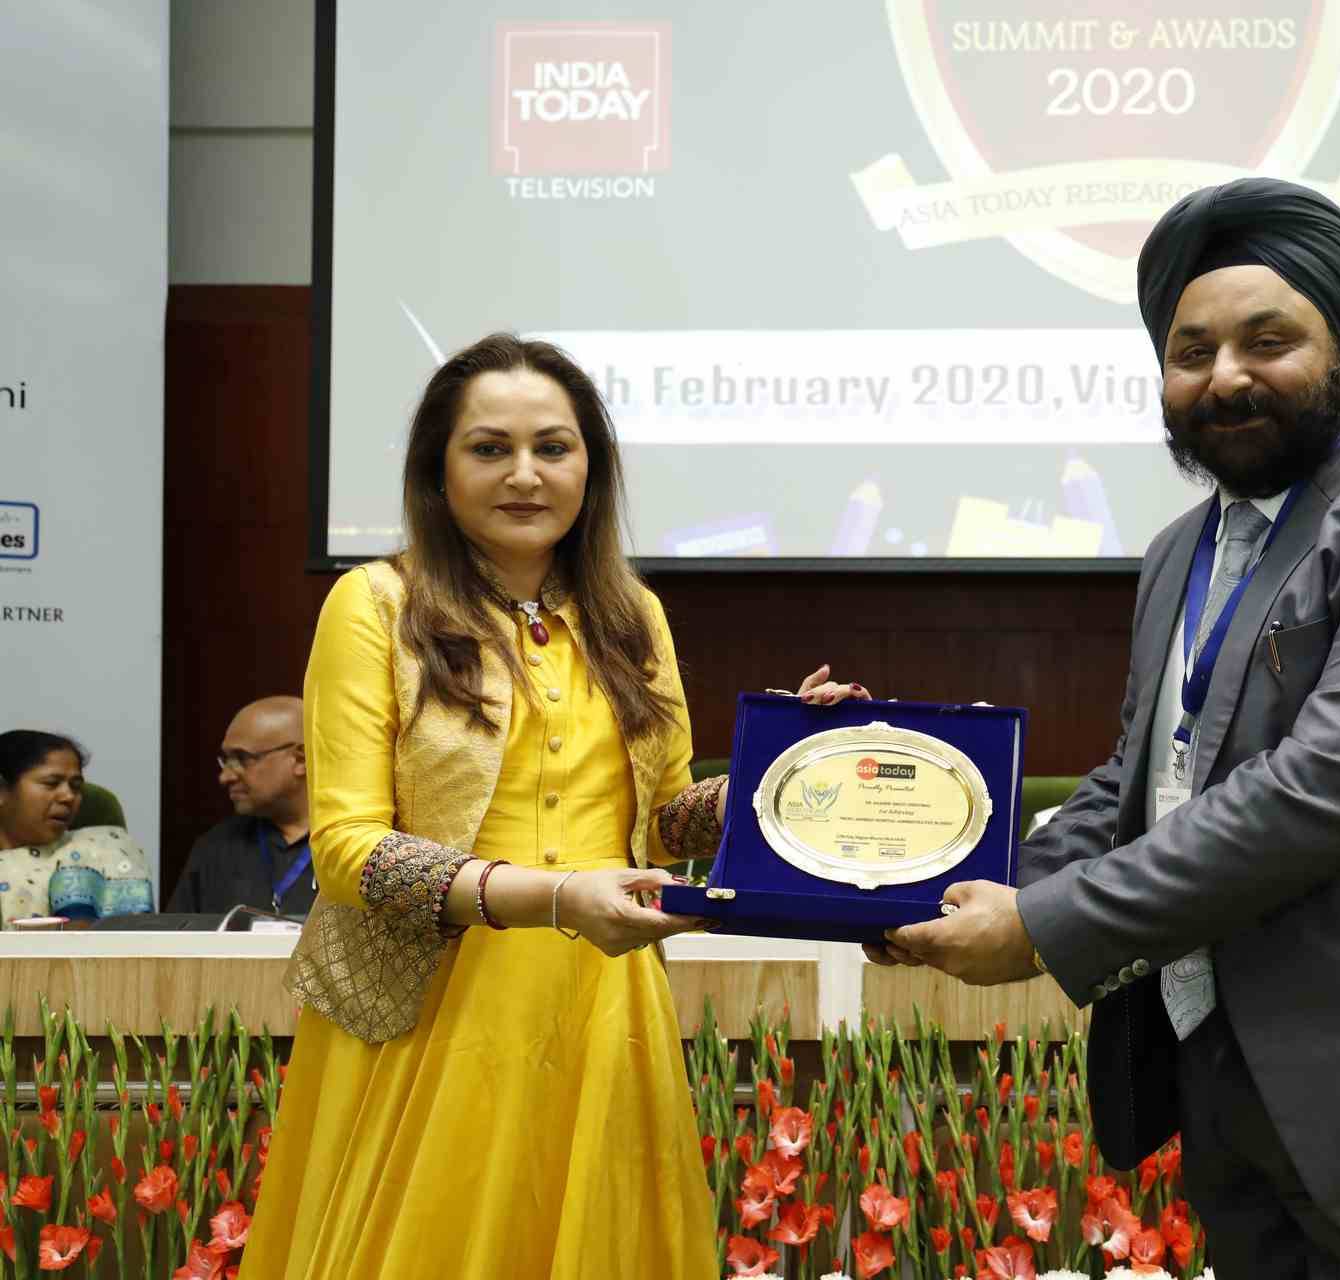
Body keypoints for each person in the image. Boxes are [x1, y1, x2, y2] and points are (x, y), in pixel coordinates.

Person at [877, 179, 1340, 1278]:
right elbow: (1142, 778)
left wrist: (1044, 926)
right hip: (1225, 1076)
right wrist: (931, 883)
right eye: (1192, 351)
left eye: (1268, 341)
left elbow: (1323, 786)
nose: (1225, 376)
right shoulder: (1180, 548)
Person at [243, 333, 866, 1279]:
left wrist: (785, 769)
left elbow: (662, 820)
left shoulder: (631, 613)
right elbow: (348, 850)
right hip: (432, 1005)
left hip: (601, 997)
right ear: (438, 470)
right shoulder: (375, 604)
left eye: (554, 448)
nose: (525, 475)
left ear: (591, 468)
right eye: (490, 448)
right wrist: (558, 898)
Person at [166, 696, 318, 918]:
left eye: (242, 758)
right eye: (225, 760)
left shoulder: (352, 845)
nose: (225, 777)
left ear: (301, 760)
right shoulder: (215, 848)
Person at [0, 730, 152, 924]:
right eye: (51, 783)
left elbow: (131, 934)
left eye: (76, 786)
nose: (68, 796)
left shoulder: (101, 849)